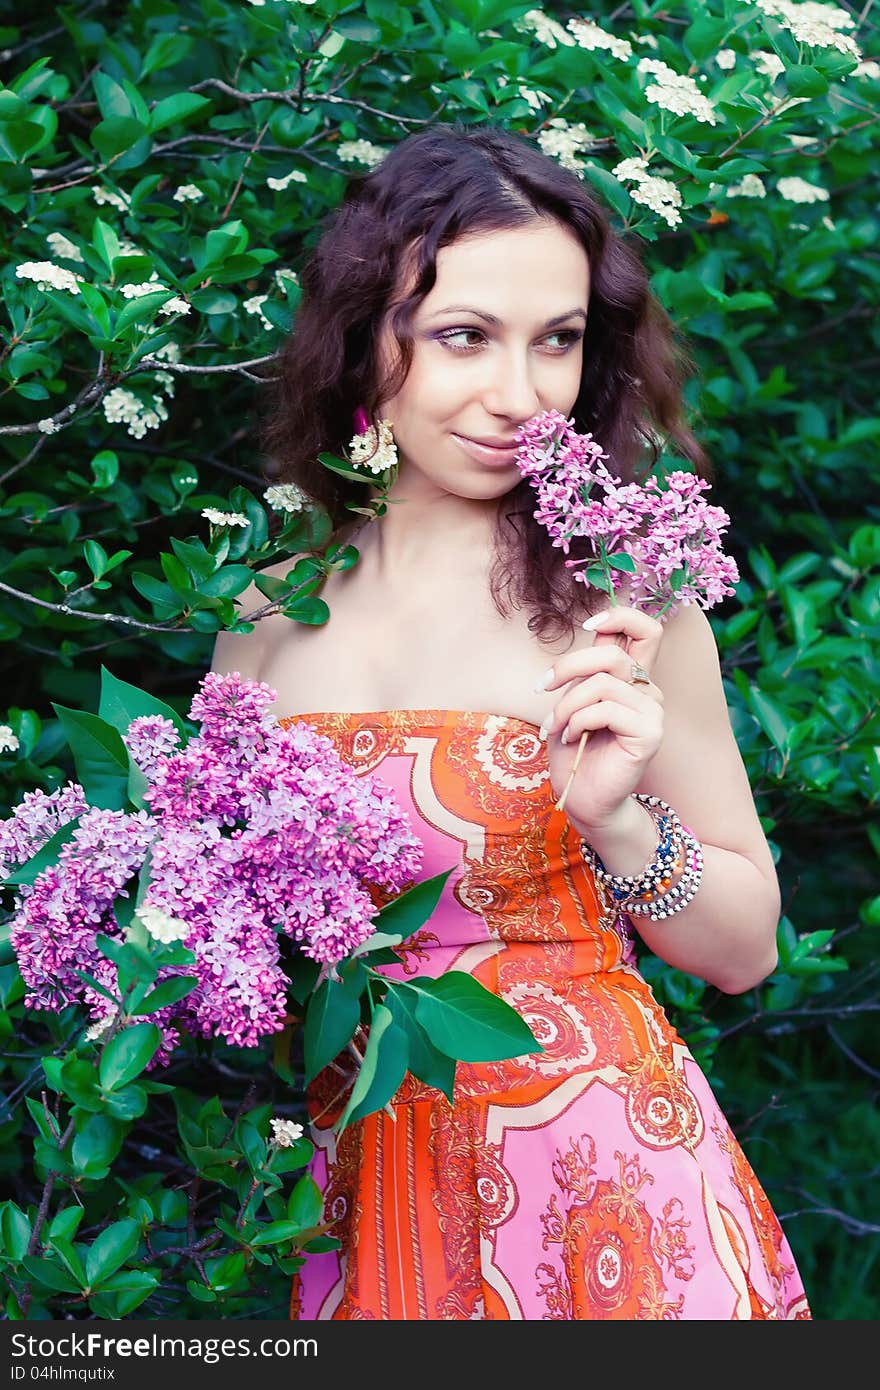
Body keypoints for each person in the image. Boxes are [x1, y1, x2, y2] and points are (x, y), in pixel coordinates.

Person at [211, 122, 811, 1320]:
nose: (519, 395)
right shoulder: (266, 610)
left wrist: (621, 824)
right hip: (362, 1182)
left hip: (600, 1187)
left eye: (559, 341)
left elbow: (746, 951)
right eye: (462, 337)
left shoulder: (620, 604)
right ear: (361, 337)